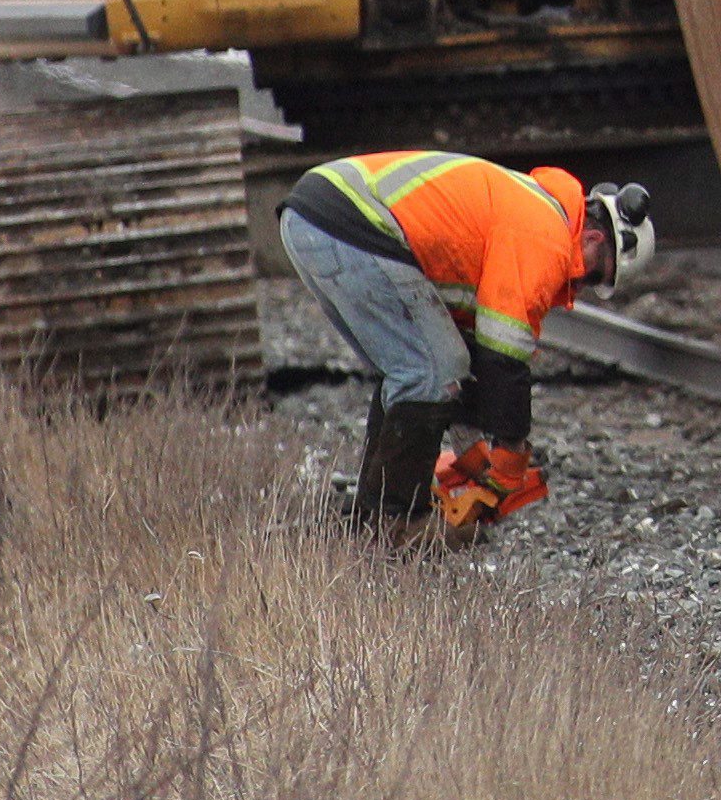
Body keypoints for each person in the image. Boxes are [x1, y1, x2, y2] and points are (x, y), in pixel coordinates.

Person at [276, 151, 653, 535]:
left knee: (412, 369)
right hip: (350, 223)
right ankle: (397, 523)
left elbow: (470, 345)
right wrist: (510, 449)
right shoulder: (547, 237)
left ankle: (368, 517)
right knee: (430, 371)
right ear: (593, 238)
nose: (583, 285)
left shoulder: (533, 207)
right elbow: (503, 352)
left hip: (318, 218)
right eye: (595, 275)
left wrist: (471, 442)